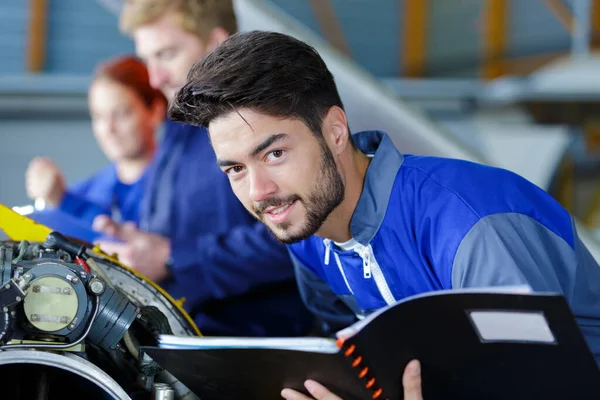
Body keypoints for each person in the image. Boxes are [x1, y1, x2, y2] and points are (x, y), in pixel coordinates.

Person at [168, 30, 600, 399]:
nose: (259, 192)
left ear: (335, 131)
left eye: (275, 153)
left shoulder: (472, 230)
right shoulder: (310, 234)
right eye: (236, 169)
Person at [94, 0, 314, 337]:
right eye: (147, 59)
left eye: (166, 54)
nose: (155, 78)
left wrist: (173, 258)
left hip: (256, 353)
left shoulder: (266, 121)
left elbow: (299, 239)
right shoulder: (178, 126)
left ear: (216, 44)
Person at [26, 55, 165, 226]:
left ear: (155, 112)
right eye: (99, 116)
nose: (108, 129)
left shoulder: (179, 187)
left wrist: (64, 202)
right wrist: (53, 202)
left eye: (121, 114)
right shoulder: (87, 191)